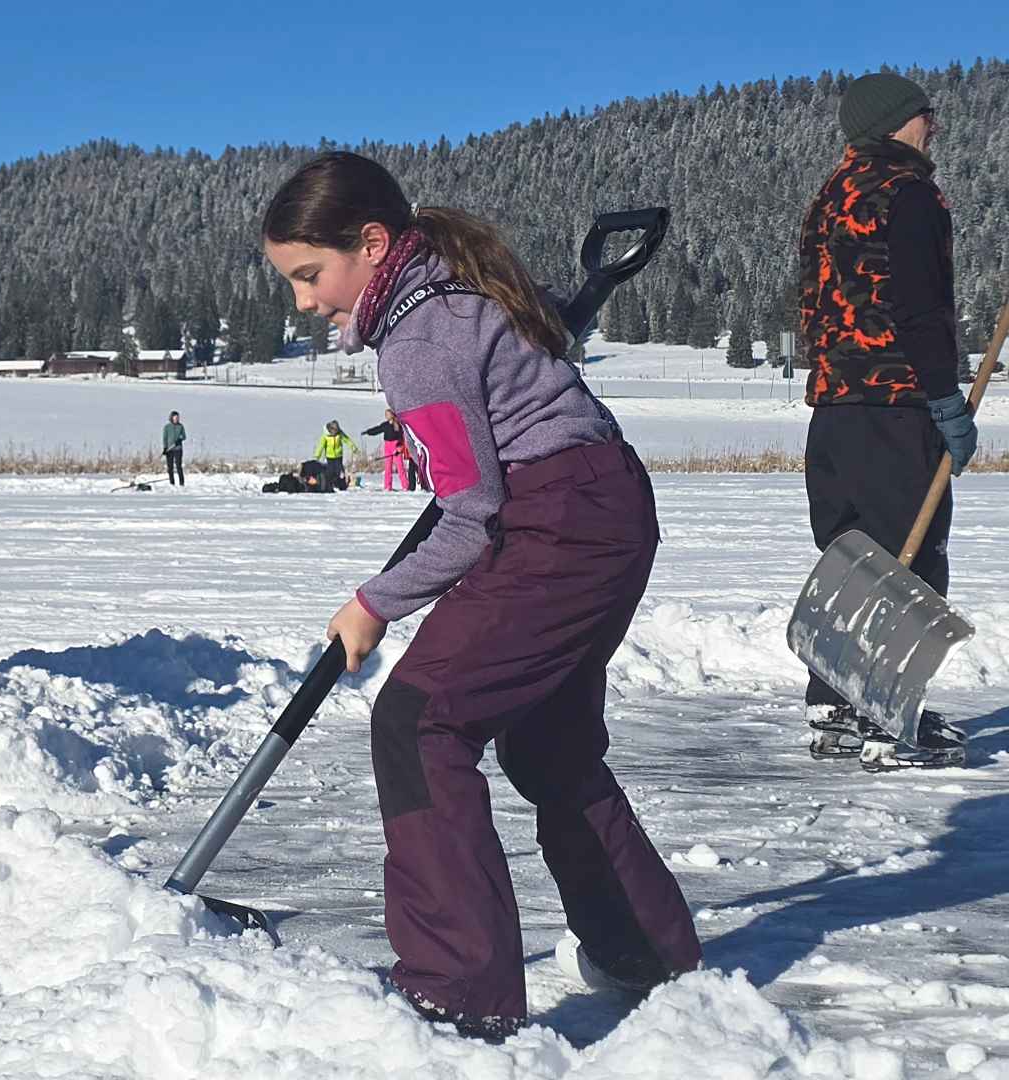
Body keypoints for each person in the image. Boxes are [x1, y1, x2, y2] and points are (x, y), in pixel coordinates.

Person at [263, 151, 700, 1039]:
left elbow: (470, 518)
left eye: (309, 274)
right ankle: (649, 953)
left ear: (372, 244)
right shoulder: (454, 287)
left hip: (561, 525)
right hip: (605, 506)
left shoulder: (421, 339)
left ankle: (456, 986)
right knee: (548, 744)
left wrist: (374, 602)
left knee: (419, 720)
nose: (304, 301)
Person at [798, 72, 974, 769]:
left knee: (852, 556)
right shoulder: (909, 194)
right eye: (926, 115)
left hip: (833, 409)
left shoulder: (830, 196)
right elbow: (919, 306)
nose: (935, 126)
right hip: (895, 404)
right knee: (910, 557)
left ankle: (834, 703)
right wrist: (945, 399)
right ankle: (884, 716)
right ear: (896, 122)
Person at [364, 409, 412, 491]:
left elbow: (401, 437)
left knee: (400, 467)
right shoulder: (385, 425)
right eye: (385, 414)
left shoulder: (397, 425)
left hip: (396, 446)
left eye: (387, 414)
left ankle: (405, 486)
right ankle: (387, 486)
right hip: (387, 446)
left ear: (392, 415)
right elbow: (377, 429)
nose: (386, 416)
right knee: (388, 467)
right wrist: (368, 432)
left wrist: (399, 447)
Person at [313, 419, 356, 492]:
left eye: (336, 430)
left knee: (340, 471)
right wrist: (317, 456)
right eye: (334, 431)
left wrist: (353, 447)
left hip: (338, 456)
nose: (335, 432)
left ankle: (342, 486)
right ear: (330, 429)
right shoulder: (325, 436)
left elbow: (347, 440)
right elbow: (320, 446)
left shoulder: (340, 434)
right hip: (330, 457)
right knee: (330, 472)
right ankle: (330, 485)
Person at [162, 411, 187, 486]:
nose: (177, 419)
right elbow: (165, 438)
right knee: (170, 467)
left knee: (178, 466)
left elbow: (184, 436)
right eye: (175, 417)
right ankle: (172, 482)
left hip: (178, 449)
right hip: (169, 449)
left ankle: (181, 483)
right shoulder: (167, 427)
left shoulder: (181, 426)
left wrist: (180, 439)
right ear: (172, 418)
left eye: (178, 417)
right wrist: (165, 448)